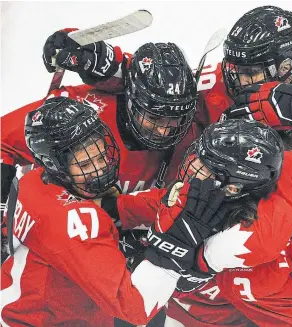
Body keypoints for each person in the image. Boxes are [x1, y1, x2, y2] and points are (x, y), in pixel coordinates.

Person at [0, 97, 227, 326]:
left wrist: (173, 199)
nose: (101, 169)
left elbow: (107, 207)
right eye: (86, 165)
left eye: (100, 157)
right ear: (55, 164)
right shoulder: (71, 222)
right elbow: (136, 307)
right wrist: (172, 250)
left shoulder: (33, 181)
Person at [51, 6, 292, 155]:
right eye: (233, 64)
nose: (236, 77)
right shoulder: (216, 81)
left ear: (287, 66)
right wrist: (100, 61)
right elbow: (158, 86)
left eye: (250, 72)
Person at [98, 119, 292, 326]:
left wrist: (197, 265)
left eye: (206, 165)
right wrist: (111, 207)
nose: (193, 165)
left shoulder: (258, 268)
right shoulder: (201, 197)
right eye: (199, 156)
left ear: (233, 187)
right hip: (176, 313)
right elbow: (152, 204)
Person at [1, 41, 199, 264]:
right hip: (46, 245)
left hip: (107, 252)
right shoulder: (81, 111)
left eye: (174, 119)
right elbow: (2, 139)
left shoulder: (193, 130)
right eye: (154, 117)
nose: (164, 130)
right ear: (131, 99)